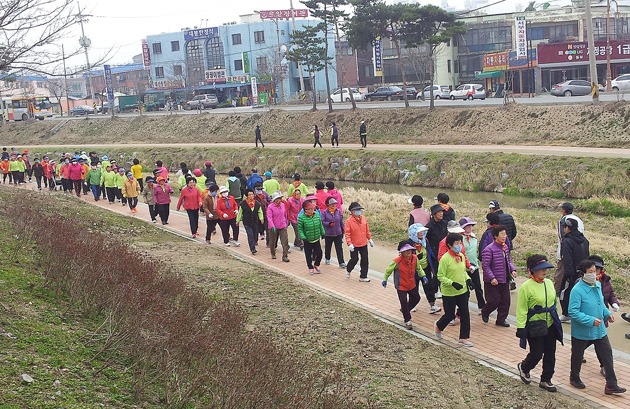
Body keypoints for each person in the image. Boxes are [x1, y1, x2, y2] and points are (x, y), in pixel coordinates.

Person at [569, 259, 626, 395]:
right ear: (582, 274)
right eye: (590, 272)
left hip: (599, 330)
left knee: (607, 354)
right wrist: (590, 320)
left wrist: (607, 314)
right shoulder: (577, 290)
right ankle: (574, 377)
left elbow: (601, 304)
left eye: (595, 272)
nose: (594, 275)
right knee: (577, 356)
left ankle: (611, 384)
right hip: (582, 331)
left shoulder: (598, 285)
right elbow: (573, 312)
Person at [516, 255, 563, 392]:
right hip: (535, 324)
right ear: (532, 270)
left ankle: (546, 380)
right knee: (537, 353)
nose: (544, 271)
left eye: (545, 268)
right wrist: (520, 327)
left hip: (550, 323)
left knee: (550, 353)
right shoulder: (526, 287)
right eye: (541, 269)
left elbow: (554, 301)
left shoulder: (548, 283)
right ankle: (524, 367)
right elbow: (522, 308)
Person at [434, 233, 473, 347]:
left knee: (465, 314)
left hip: (462, 291)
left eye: (460, 243)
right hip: (449, 293)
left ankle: (464, 337)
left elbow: (463, 271)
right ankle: (439, 326)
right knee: (449, 315)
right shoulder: (445, 259)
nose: (459, 246)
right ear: (450, 245)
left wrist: (468, 279)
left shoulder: (461, 256)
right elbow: (440, 276)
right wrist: (452, 283)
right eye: (456, 243)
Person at [383, 241, 428, 329]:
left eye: (410, 250)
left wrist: (423, 276)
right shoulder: (396, 261)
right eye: (406, 251)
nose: (409, 253)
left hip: (412, 284)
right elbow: (388, 271)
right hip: (401, 286)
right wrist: (385, 279)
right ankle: (407, 321)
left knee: (416, 298)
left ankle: (405, 310)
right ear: (402, 252)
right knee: (403, 301)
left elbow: (419, 268)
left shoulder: (415, 259)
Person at [481, 225, 517, 327]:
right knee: (494, 301)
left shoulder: (505, 247)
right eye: (502, 234)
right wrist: (492, 278)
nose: (504, 236)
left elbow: (508, 261)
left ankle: (501, 320)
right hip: (492, 281)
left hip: (504, 279)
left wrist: (513, 270)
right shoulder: (489, 250)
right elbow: (486, 266)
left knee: (505, 302)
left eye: (505, 234)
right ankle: (485, 311)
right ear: (495, 236)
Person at [559, 217, 590, 323]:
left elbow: (567, 259)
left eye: (565, 227)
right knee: (580, 294)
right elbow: (588, 257)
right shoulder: (585, 240)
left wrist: (569, 274)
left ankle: (566, 314)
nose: (564, 229)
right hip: (583, 273)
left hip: (571, 274)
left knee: (564, 292)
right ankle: (578, 313)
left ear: (568, 228)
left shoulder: (567, 241)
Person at [408, 223, 440, 314]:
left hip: (426, 268)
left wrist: (433, 260)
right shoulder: (409, 243)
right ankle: (413, 304)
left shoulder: (425, 241)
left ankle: (432, 304)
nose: (422, 233)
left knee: (428, 286)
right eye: (419, 231)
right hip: (414, 270)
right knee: (414, 287)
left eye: (422, 231)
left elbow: (429, 251)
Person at [555, 202, 585, 295]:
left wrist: (563, 252)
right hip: (579, 249)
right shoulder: (578, 219)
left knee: (561, 270)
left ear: (563, 210)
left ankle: (557, 291)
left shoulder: (564, 220)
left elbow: (562, 237)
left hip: (567, 249)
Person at [460, 217, 485, 312]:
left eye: (471, 225)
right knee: (465, 289)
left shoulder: (474, 236)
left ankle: (482, 306)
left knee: (478, 287)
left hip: (474, 266)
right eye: (467, 226)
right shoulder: (459, 238)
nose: (470, 227)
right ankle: (463, 308)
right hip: (464, 267)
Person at [344, 202, 374, 282]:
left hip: (363, 243)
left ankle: (363, 276)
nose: (358, 211)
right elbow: (347, 234)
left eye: (359, 210)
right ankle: (349, 269)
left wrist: (370, 239)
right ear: (352, 211)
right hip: (354, 244)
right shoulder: (349, 221)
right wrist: (349, 244)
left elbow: (367, 230)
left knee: (365, 260)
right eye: (356, 210)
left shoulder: (363, 218)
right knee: (354, 259)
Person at [426, 204, 448, 294]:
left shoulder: (445, 223)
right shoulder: (429, 226)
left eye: (442, 211)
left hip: (445, 252)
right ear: (434, 214)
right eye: (439, 212)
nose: (441, 214)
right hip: (435, 254)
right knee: (437, 273)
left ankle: (440, 291)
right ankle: (436, 291)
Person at [298, 202, 325, 275]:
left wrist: (323, 233)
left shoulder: (316, 215)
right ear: (305, 210)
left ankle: (317, 264)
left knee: (319, 253)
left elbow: (320, 224)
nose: (312, 210)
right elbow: (300, 229)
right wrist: (303, 238)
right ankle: (310, 267)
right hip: (308, 240)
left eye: (312, 208)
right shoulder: (302, 218)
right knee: (308, 255)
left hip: (316, 238)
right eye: (310, 209)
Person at [321, 197, 346, 268]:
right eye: (331, 204)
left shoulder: (338, 211)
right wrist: (329, 224)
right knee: (328, 247)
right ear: (328, 205)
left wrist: (343, 227)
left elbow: (341, 221)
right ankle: (327, 258)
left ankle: (341, 262)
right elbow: (322, 222)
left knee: (339, 248)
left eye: (334, 204)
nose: (333, 206)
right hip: (329, 233)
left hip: (338, 233)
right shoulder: (325, 213)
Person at [237, 188, 263, 253]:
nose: (251, 196)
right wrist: (238, 220)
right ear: (247, 196)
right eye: (250, 195)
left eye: (252, 195)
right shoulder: (243, 204)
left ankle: (254, 242)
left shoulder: (257, 203)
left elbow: (260, 212)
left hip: (255, 222)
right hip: (247, 222)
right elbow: (240, 213)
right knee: (250, 234)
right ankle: (252, 249)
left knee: (254, 234)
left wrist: (261, 218)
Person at [267, 191, 290, 262]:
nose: (278, 200)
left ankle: (285, 256)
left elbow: (285, 214)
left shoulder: (282, 205)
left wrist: (286, 222)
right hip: (274, 227)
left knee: (285, 241)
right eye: (277, 199)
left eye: (279, 199)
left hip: (282, 226)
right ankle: (273, 253)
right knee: (272, 241)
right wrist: (272, 226)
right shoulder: (270, 207)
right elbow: (269, 217)